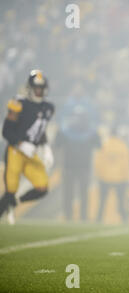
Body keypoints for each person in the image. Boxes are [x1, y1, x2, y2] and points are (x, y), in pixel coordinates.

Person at [0, 70, 55, 222]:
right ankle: (10, 201)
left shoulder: (48, 107)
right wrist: (21, 143)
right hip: (16, 152)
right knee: (10, 191)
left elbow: (39, 130)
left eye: (41, 88)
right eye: (36, 88)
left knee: (42, 188)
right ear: (30, 88)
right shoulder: (19, 103)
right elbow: (6, 131)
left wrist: (46, 147)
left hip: (31, 153)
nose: (39, 91)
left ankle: (15, 202)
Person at [54, 103, 101, 222]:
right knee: (68, 193)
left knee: (83, 194)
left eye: (81, 117)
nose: (78, 119)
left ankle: (83, 217)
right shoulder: (65, 130)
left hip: (83, 168)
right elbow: (56, 144)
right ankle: (68, 215)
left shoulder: (90, 132)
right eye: (77, 116)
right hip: (69, 167)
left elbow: (99, 145)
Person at [94, 127, 129, 224]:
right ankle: (124, 220)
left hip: (105, 177)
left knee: (102, 201)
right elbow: (126, 163)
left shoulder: (104, 145)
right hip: (120, 178)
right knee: (121, 201)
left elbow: (98, 161)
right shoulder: (123, 146)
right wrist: (125, 176)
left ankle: (98, 219)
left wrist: (99, 174)